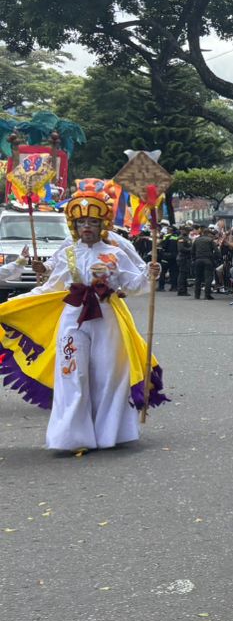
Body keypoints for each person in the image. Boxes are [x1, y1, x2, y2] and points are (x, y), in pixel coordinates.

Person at [0, 183, 165, 450]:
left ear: (102, 224)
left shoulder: (116, 252)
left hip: (107, 319)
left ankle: (110, 434)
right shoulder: (67, 253)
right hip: (72, 319)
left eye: (92, 221)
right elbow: (50, 287)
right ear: (73, 225)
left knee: (109, 374)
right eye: (81, 222)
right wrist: (15, 304)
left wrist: (150, 274)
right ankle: (71, 437)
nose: (86, 226)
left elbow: (135, 285)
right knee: (71, 374)